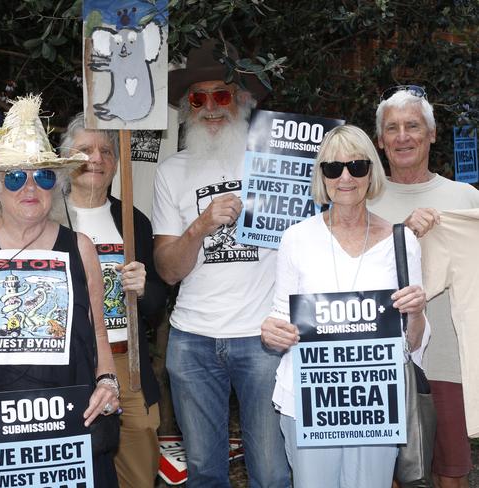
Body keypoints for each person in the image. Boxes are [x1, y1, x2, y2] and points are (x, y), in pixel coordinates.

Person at [0, 95, 120, 487]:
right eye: (15, 177)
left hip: (67, 434)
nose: (30, 187)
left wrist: (107, 383)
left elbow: (97, 332)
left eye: (43, 176)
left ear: (56, 185)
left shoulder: (80, 247)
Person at [152, 39, 291, 487]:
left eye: (222, 95)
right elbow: (169, 270)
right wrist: (199, 226)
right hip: (192, 340)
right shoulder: (171, 170)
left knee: (271, 472)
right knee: (205, 472)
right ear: (187, 107)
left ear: (243, 100)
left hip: (264, 339)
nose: (211, 107)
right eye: (198, 98)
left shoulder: (277, 160)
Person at [261, 124, 429, 488]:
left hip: (375, 403)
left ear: (372, 172)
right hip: (310, 402)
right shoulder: (296, 239)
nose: (346, 177)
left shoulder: (402, 243)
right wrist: (273, 332)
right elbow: (280, 319)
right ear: (322, 176)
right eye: (334, 168)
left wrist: (415, 311)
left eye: (357, 165)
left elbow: (413, 344)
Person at [367, 85, 479, 488]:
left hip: (449, 360)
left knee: (451, 473)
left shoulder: (465, 199)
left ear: (432, 134)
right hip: (382, 362)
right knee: (396, 474)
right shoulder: (362, 202)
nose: (402, 137)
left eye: (412, 126)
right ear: (380, 141)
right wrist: (403, 234)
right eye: (392, 129)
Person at [60, 113, 167, 488]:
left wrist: (143, 288)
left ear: (117, 163)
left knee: (139, 464)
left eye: (107, 151)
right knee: (73, 467)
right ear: (64, 158)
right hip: (67, 365)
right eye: (85, 149)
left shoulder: (132, 219)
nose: (97, 158)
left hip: (127, 362)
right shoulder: (49, 214)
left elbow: (155, 304)